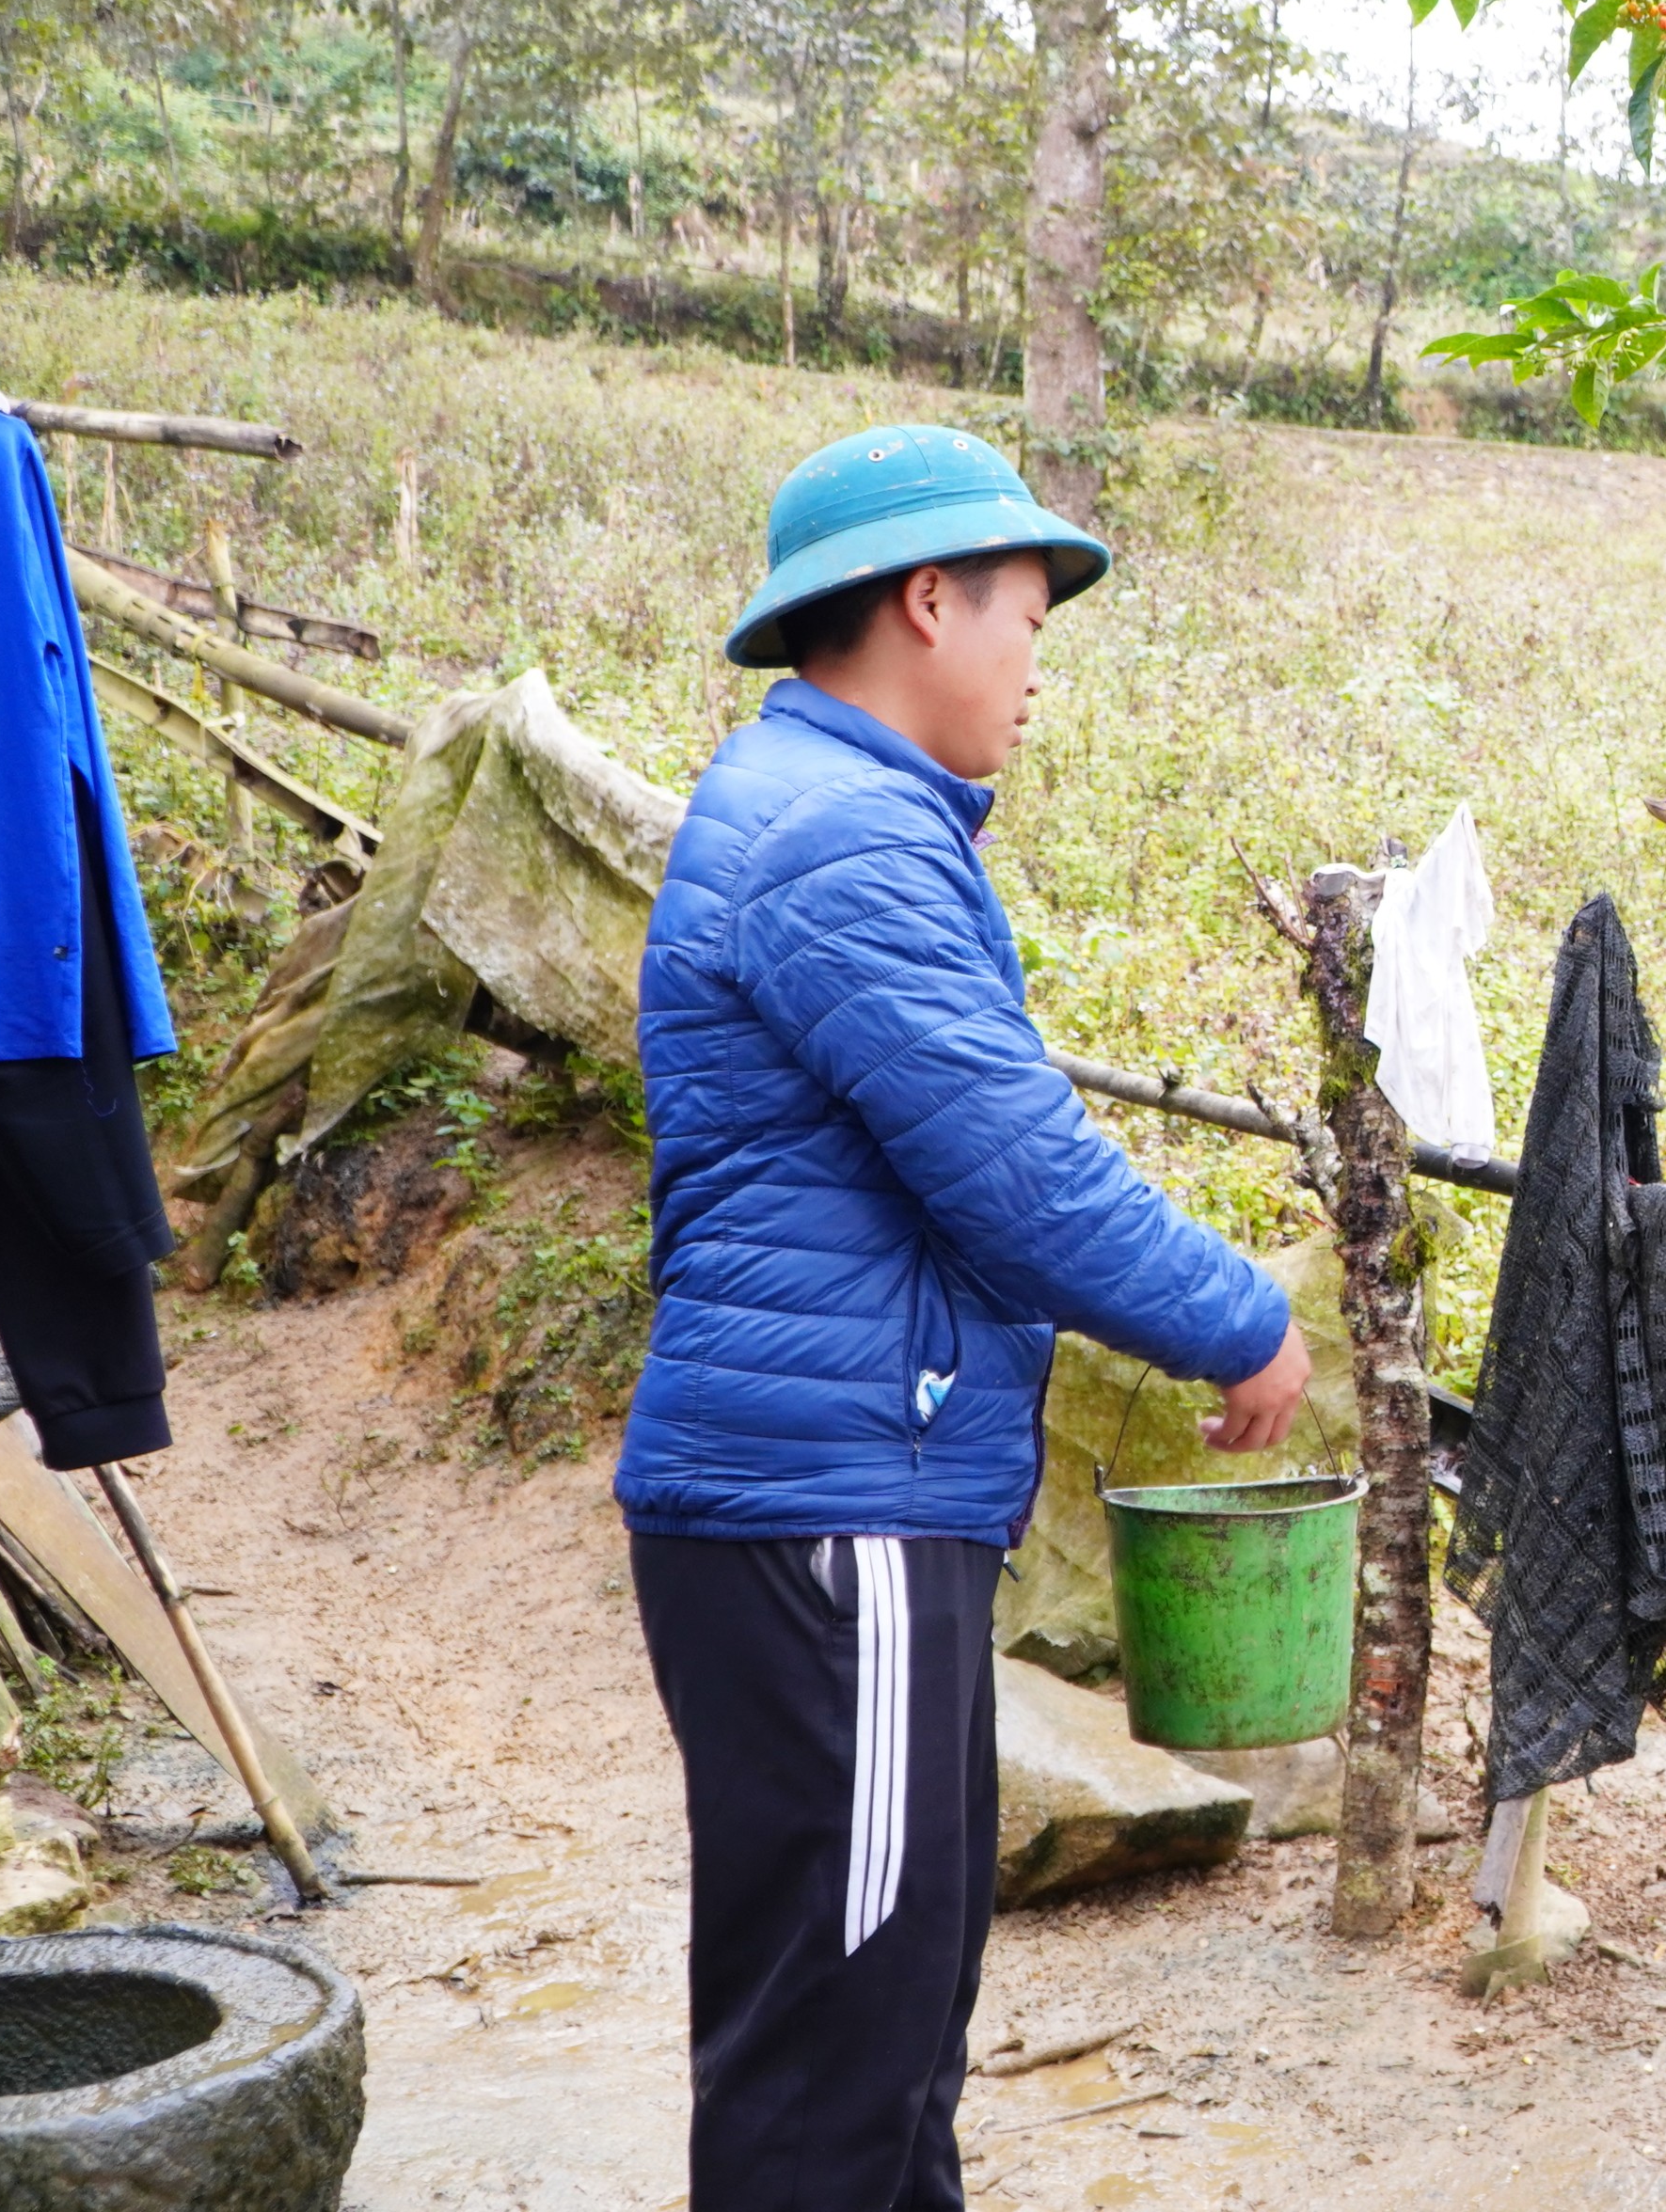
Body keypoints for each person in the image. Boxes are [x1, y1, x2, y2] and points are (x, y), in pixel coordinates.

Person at [617, 423, 1311, 2212]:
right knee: (838, 2073)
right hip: (831, 1515)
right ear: (927, 602)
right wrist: (1242, 1318)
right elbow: (1016, 1169)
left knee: (878, 2030)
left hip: (832, 1502)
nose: (1030, 670)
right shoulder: (844, 837)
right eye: (1021, 620)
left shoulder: (820, 807)